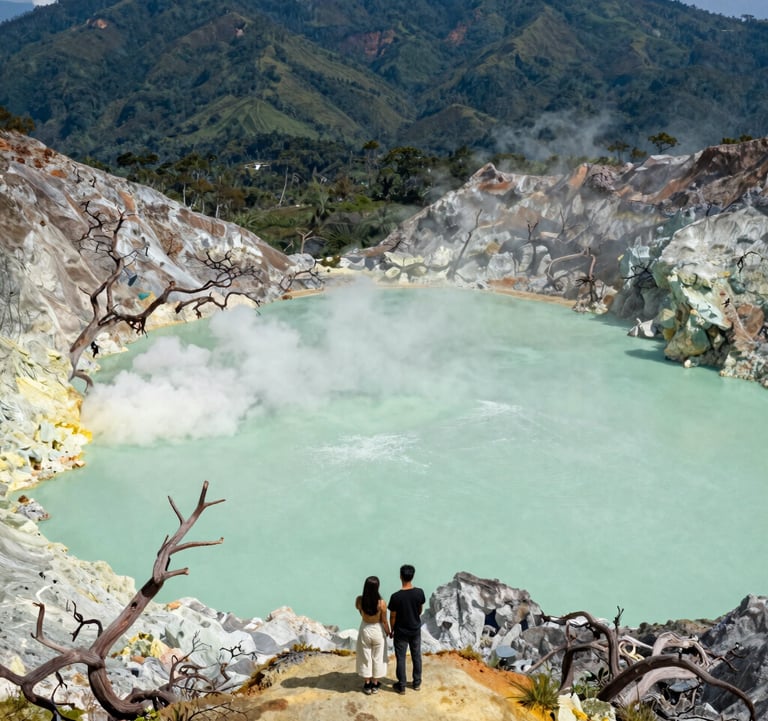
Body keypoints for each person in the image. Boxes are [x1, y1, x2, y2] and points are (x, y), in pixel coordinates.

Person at [388, 564, 425, 694]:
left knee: (401, 657)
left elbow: (393, 616)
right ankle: (416, 683)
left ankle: (402, 685)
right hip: (415, 629)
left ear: (400, 576)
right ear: (412, 576)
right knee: (416, 656)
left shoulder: (395, 597)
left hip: (401, 631)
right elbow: (420, 609)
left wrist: (391, 630)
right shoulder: (419, 592)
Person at [355, 575, 391, 695]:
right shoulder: (381, 603)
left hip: (365, 628)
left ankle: (367, 683)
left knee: (365, 656)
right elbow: (384, 621)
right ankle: (375, 684)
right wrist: (388, 632)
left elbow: (360, 612)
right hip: (378, 630)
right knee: (378, 657)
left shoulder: (359, 600)